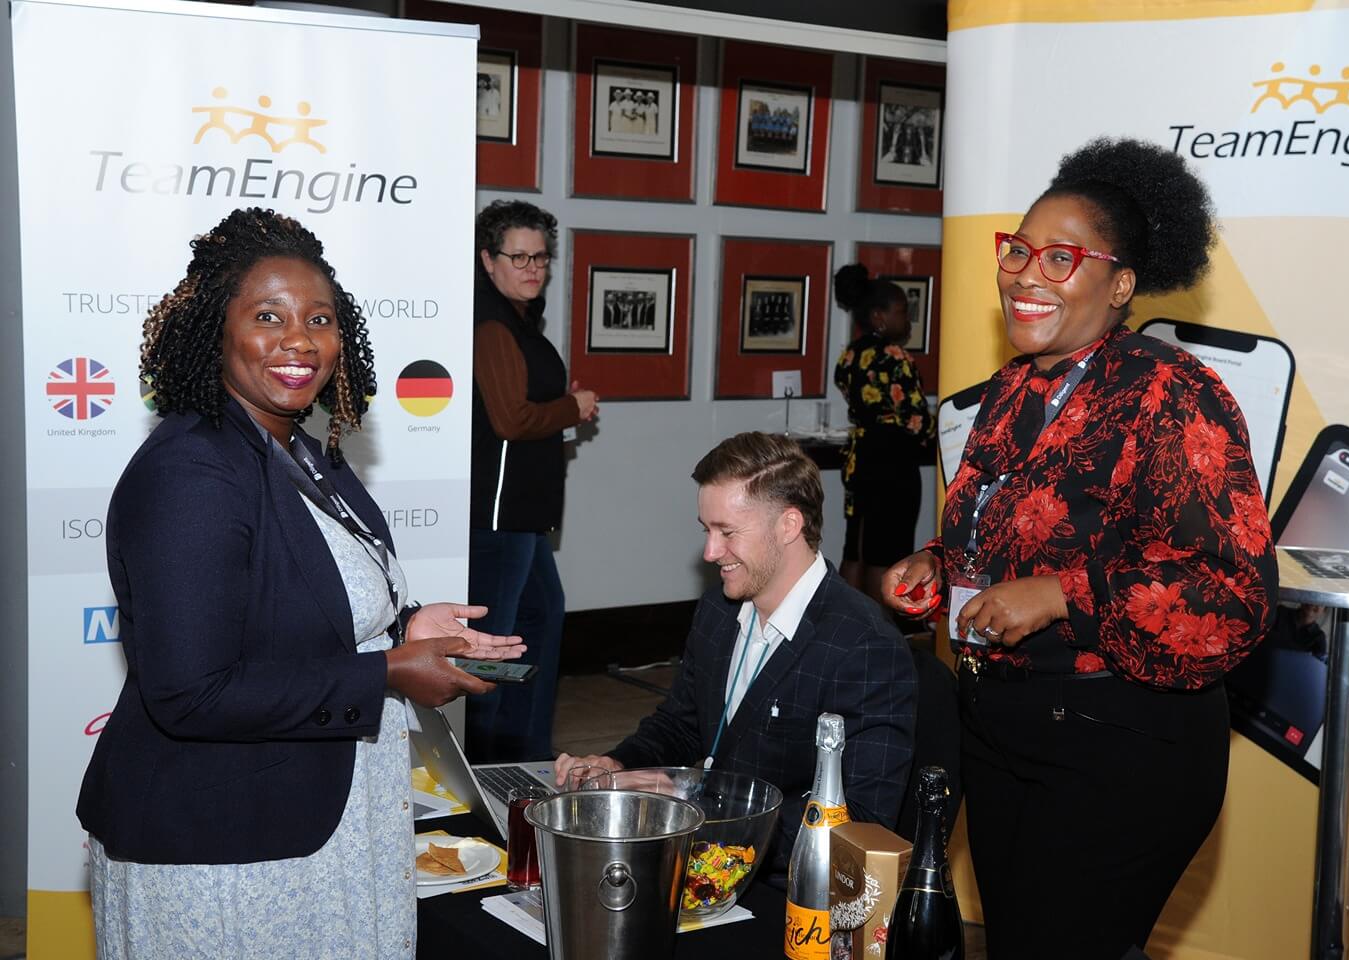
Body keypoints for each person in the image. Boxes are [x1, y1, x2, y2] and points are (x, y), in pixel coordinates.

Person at [76, 207, 525, 959]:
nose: (298, 340)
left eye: (319, 318)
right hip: (224, 845)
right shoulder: (192, 473)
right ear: (217, 330)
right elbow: (191, 691)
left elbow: (300, 603)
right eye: (268, 316)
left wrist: (406, 625)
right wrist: (387, 671)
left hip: (325, 815)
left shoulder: (306, 453)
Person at [883, 138, 1279, 959]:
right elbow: (1009, 522)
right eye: (1019, 251)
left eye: (1059, 258)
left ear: (1121, 283)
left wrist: (1067, 594)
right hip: (1002, 730)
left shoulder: (1173, 393)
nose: (1026, 274)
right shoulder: (1011, 387)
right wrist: (939, 561)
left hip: (1121, 747)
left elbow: (1231, 599)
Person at [553, 432, 917, 883]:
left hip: (786, 896)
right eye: (707, 531)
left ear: (788, 525)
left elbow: (858, 822)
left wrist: (701, 809)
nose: (710, 552)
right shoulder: (718, 611)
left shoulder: (864, 646)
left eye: (727, 532)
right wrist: (618, 765)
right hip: (707, 868)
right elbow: (682, 725)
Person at [468, 199, 598, 762]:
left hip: (522, 516)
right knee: (493, 646)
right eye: (517, 256)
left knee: (541, 616)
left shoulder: (516, 319)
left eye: (540, 257)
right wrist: (573, 406)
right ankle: (486, 763)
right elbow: (511, 420)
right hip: (499, 517)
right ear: (487, 259)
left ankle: (525, 756)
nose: (531, 267)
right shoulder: (492, 323)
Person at [832, 264, 935, 608]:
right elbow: (919, 421)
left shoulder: (849, 356)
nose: (907, 322)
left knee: (857, 546)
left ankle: (845, 626)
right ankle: (881, 631)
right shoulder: (896, 358)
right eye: (902, 312)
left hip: (861, 460)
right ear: (878, 316)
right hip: (894, 464)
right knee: (887, 554)